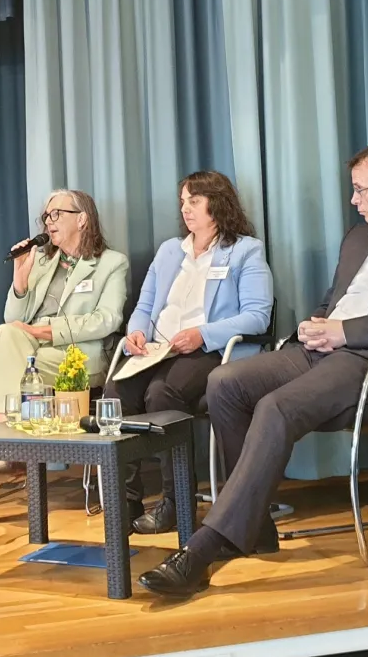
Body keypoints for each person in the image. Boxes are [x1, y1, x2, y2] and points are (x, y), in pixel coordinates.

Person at [139, 141, 368, 597]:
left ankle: (206, 545)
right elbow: (335, 301)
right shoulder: (359, 238)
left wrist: (346, 332)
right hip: (325, 349)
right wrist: (316, 325)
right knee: (226, 382)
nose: (354, 200)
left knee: (278, 406)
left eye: (360, 190)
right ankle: (254, 528)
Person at [0, 189, 129, 529]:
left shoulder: (111, 263)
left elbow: (108, 319)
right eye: (46, 216)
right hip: (28, 355)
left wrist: (49, 331)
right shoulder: (43, 261)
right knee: (1, 345)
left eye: (57, 214)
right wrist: (20, 277)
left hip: (75, 358)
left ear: (82, 218)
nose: (49, 221)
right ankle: (8, 450)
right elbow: (13, 316)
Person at [105, 171, 273, 534]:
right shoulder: (170, 251)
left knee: (162, 393)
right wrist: (136, 332)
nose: (186, 209)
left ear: (218, 204)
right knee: (116, 392)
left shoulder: (244, 250)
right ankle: (126, 500)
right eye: (183, 202)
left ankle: (176, 503)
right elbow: (145, 305)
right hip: (157, 349)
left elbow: (258, 317)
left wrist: (202, 334)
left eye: (194, 201)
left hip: (208, 351)